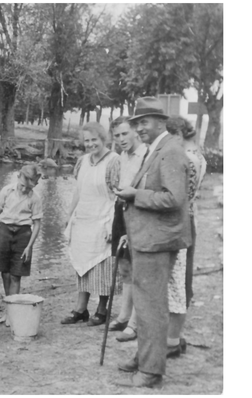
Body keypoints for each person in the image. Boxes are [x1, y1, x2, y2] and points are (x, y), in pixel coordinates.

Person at [114, 97, 191, 388]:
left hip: (158, 241)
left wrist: (135, 196)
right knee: (146, 305)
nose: (139, 128)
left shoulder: (170, 150)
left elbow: (174, 199)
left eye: (143, 122)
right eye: (136, 123)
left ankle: (151, 371)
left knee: (150, 307)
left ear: (161, 122)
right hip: (147, 238)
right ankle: (145, 356)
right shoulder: (157, 149)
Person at [61, 122, 120, 327]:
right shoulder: (82, 161)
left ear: (103, 139)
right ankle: (80, 308)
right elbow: (78, 191)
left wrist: (113, 224)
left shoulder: (114, 161)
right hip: (83, 219)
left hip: (103, 218)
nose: (90, 144)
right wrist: (69, 216)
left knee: (102, 265)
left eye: (94, 139)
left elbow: (117, 195)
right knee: (81, 263)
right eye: (86, 140)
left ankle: (102, 309)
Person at [165, 116, 207, 358]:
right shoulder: (197, 154)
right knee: (182, 277)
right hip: (190, 217)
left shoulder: (187, 158)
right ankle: (175, 336)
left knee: (177, 279)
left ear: (178, 134)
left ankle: (172, 339)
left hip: (181, 220)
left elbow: (178, 196)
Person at [108, 117, 147, 342]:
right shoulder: (122, 156)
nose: (121, 139)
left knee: (136, 266)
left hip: (137, 211)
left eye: (125, 134)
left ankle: (134, 321)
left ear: (134, 132)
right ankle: (123, 315)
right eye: (117, 136)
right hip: (121, 208)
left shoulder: (145, 153)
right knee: (123, 265)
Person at [0, 164, 43, 325]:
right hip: (4, 231)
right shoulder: (7, 191)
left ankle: (12, 314)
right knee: (4, 273)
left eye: (28, 186)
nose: (24, 189)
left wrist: (29, 246)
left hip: (23, 234)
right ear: (18, 177)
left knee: (15, 274)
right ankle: (8, 311)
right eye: (22, 185)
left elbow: (37, 224)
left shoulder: (35, 198)